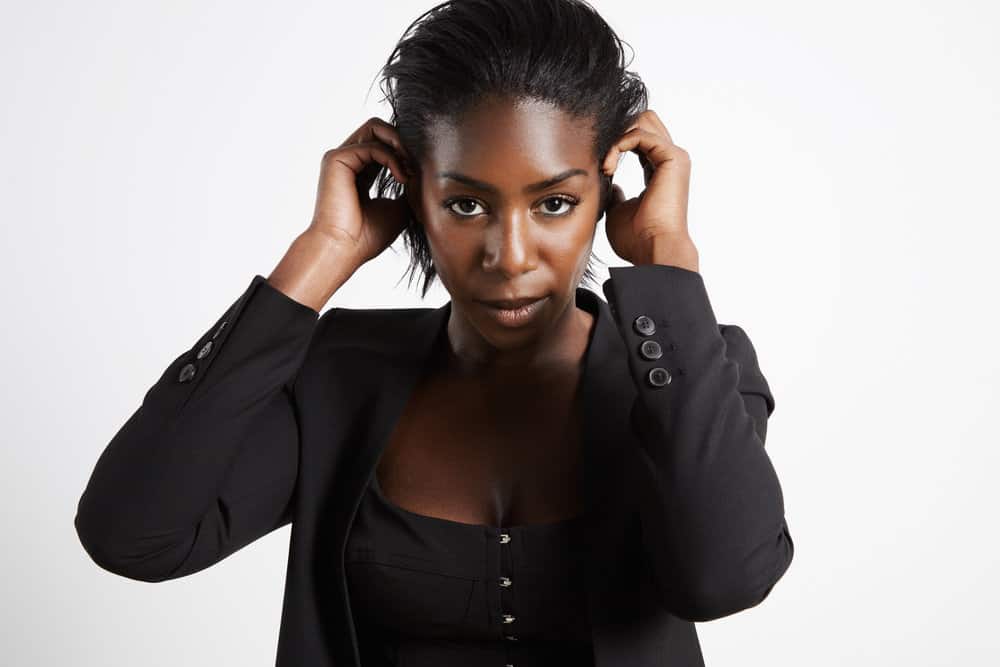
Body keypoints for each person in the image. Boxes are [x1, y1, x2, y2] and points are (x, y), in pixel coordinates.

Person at [74, 1, 794, 665]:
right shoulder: (336, 377)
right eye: (465, 202)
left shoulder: (697, 367)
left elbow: (722, 579)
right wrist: (322, 253)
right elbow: (133, 535)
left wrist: (670, 259)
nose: (508, 255)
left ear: (606, 193)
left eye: (554, 202)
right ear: (413, 193)